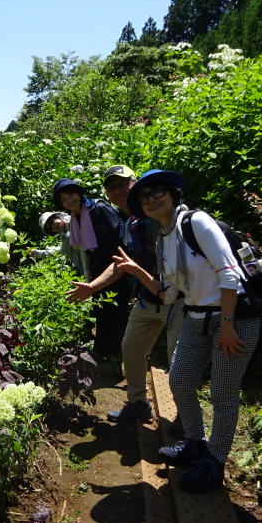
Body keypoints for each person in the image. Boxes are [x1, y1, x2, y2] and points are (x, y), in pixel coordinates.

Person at [112, 169, 262, 493]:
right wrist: (136, 270)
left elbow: (230, 274)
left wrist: (225, 325)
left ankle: (214, 461)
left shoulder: (197, 223)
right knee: (179, 380)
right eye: (144, 197)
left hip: (232, 319)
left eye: (157, 192)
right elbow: (168, 294)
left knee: (223, 396)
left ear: (174, 193)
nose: (151, 200)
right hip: (195, 318)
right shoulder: (164, 237)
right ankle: (195, 443)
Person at [67, 165, 185, 427]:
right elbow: (121, 262)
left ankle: (184, 416)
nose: (118, 191)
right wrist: (92, 286)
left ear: (134, 183)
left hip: (177, 300)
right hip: (148, 299)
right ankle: (138, 404)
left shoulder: (158, 215)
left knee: (180, 362)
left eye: (122, 184)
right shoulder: (127, 223)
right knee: (131, 348)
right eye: (112, 187)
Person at [51, 178, 129, 364]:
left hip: (115, 268)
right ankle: (103, 356)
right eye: (64, 199)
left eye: (71, 194)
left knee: (115, 315)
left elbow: (120, 239)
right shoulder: (76, 217)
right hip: (98, 270)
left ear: (79, 193)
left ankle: (116, 361)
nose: (70, 200)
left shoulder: (98, 209)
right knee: (102, 313)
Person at [35, 211, 88, 276]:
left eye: (51, 223)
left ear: (57, 217)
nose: (53, 227)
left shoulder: (75, 221)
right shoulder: (65, 236)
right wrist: (38, 253)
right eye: (50, 228)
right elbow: (61, 251)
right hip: (87, 270)